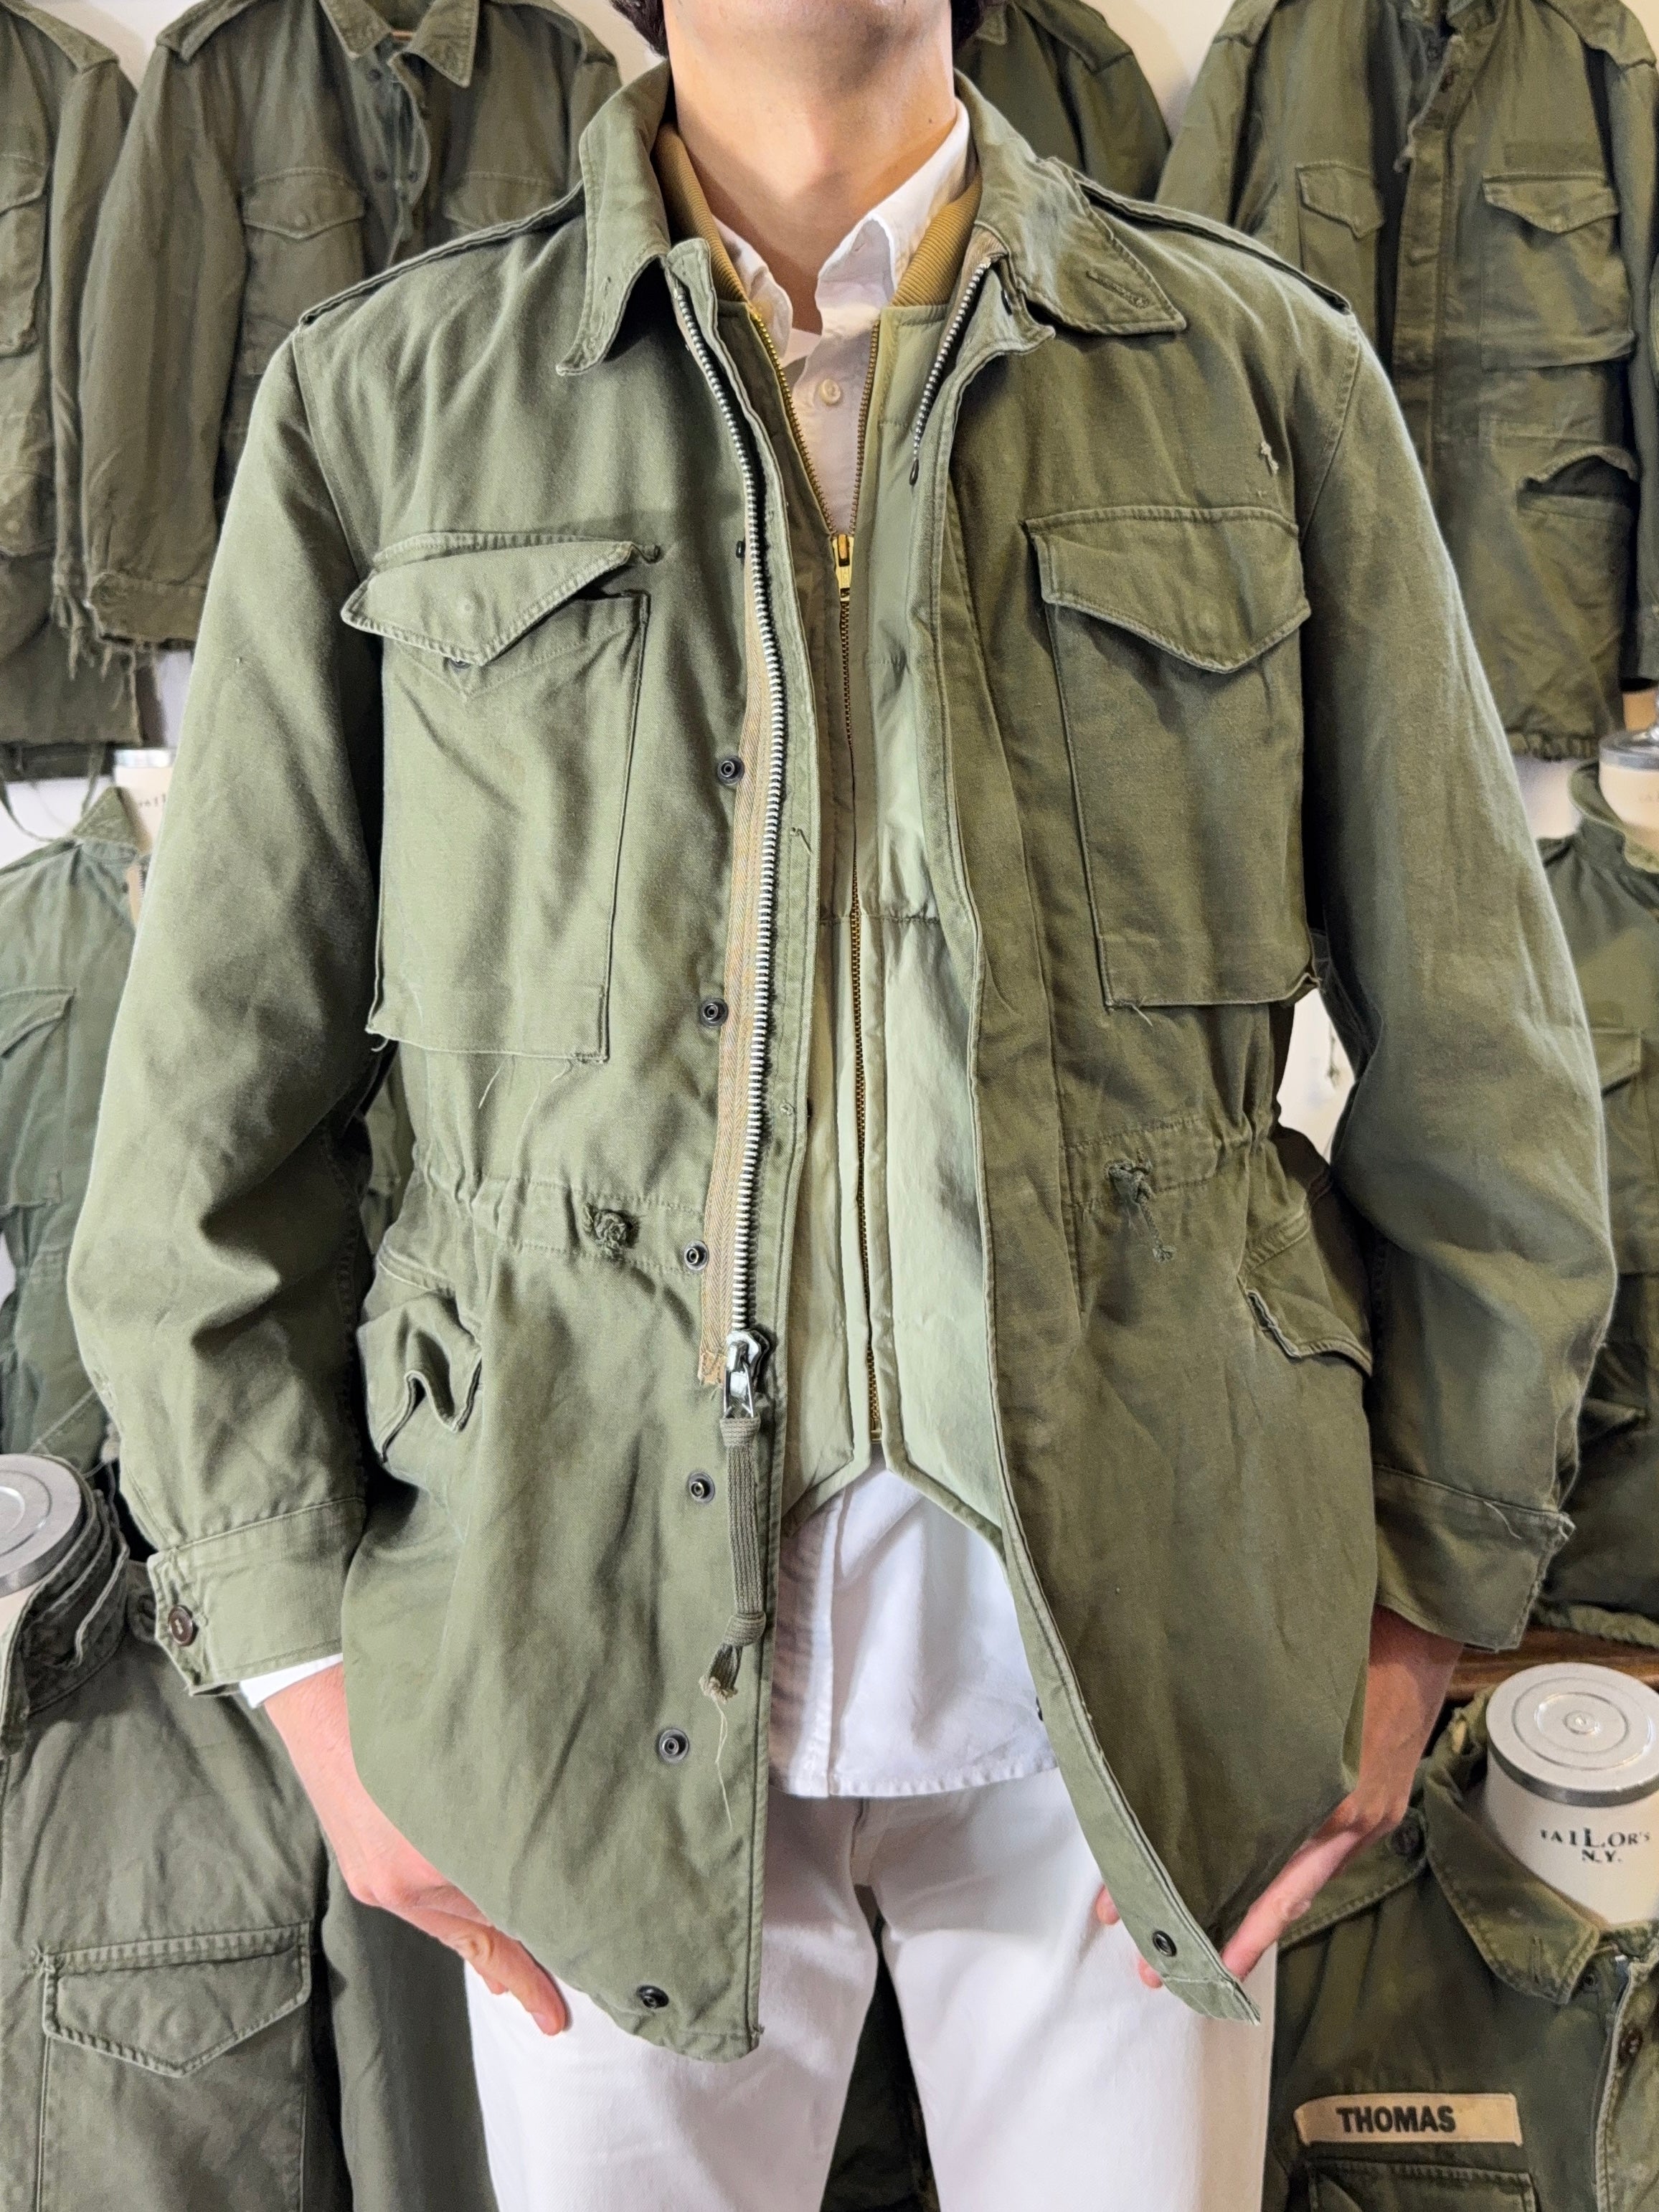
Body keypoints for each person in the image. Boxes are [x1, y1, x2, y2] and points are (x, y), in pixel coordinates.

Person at [68, 2, 1613, 2205]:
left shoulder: (1255, 372)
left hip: (1158, 1696)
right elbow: (210, 1115)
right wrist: (306, 1666)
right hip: (565, 1662)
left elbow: (1480, 1052)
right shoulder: (388, 398)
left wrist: (1422, 1608)